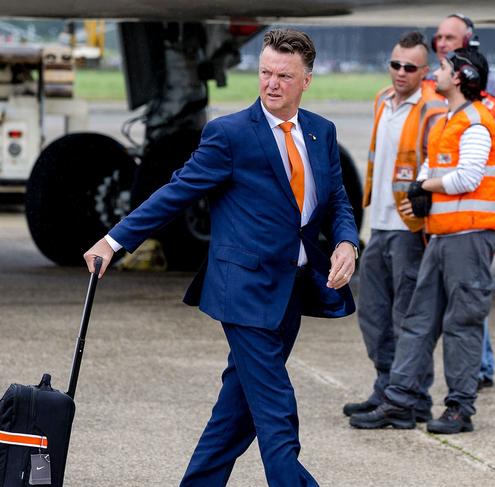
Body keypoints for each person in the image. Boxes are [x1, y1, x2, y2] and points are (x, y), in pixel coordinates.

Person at [83, 29, 359, 487]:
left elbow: (337, 203)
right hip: (243, 292)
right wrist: (113, 242)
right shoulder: (229, 134)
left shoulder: (320, 132)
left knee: (236, 413)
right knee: (276, 415)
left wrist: (346, 242)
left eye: (284, 76)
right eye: (265, 72)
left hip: (290, 290)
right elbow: (175, 193)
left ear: (305, 80)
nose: (271, 83)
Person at [349, 48, 495, 433]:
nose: (438, 72)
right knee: (418, 320)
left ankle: (459, 408)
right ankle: (400, 401)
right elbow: (433, 165)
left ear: (462, 77)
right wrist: (423, 182)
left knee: (462, 323)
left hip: (469, 240)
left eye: (446, 67)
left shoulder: (476, 123)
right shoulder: (448, 121)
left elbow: (467, 177)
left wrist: (424, 185)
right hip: (440, 237)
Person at [342, 32, 446, 423]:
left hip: (409, 225)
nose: (400, 72)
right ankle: (386, 386)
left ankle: (412, 399)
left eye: (409, 67)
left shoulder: (433, 108)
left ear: (425, 71)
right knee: (373, 312)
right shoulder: (382, 100)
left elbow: (438, 161)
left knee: (408, 317)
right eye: (395, 64)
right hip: (380, 221)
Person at [427, 13, 495, 389]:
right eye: (438, 37)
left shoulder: (490, 86)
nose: (441, 43)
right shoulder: (432, 79)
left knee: (468, 296)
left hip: (468, 214)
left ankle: (480, 366)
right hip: (436, 212)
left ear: (467, 40)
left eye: (449, 38)